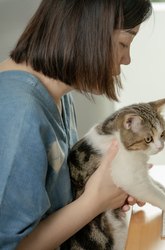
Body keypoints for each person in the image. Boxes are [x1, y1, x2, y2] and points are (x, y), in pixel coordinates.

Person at [0, 0, 153, 249]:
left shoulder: (57, 96)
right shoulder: (19, 113)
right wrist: (94, 200)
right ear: (89, 31)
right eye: (124, 43)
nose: (127, 59)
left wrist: (107, 183)